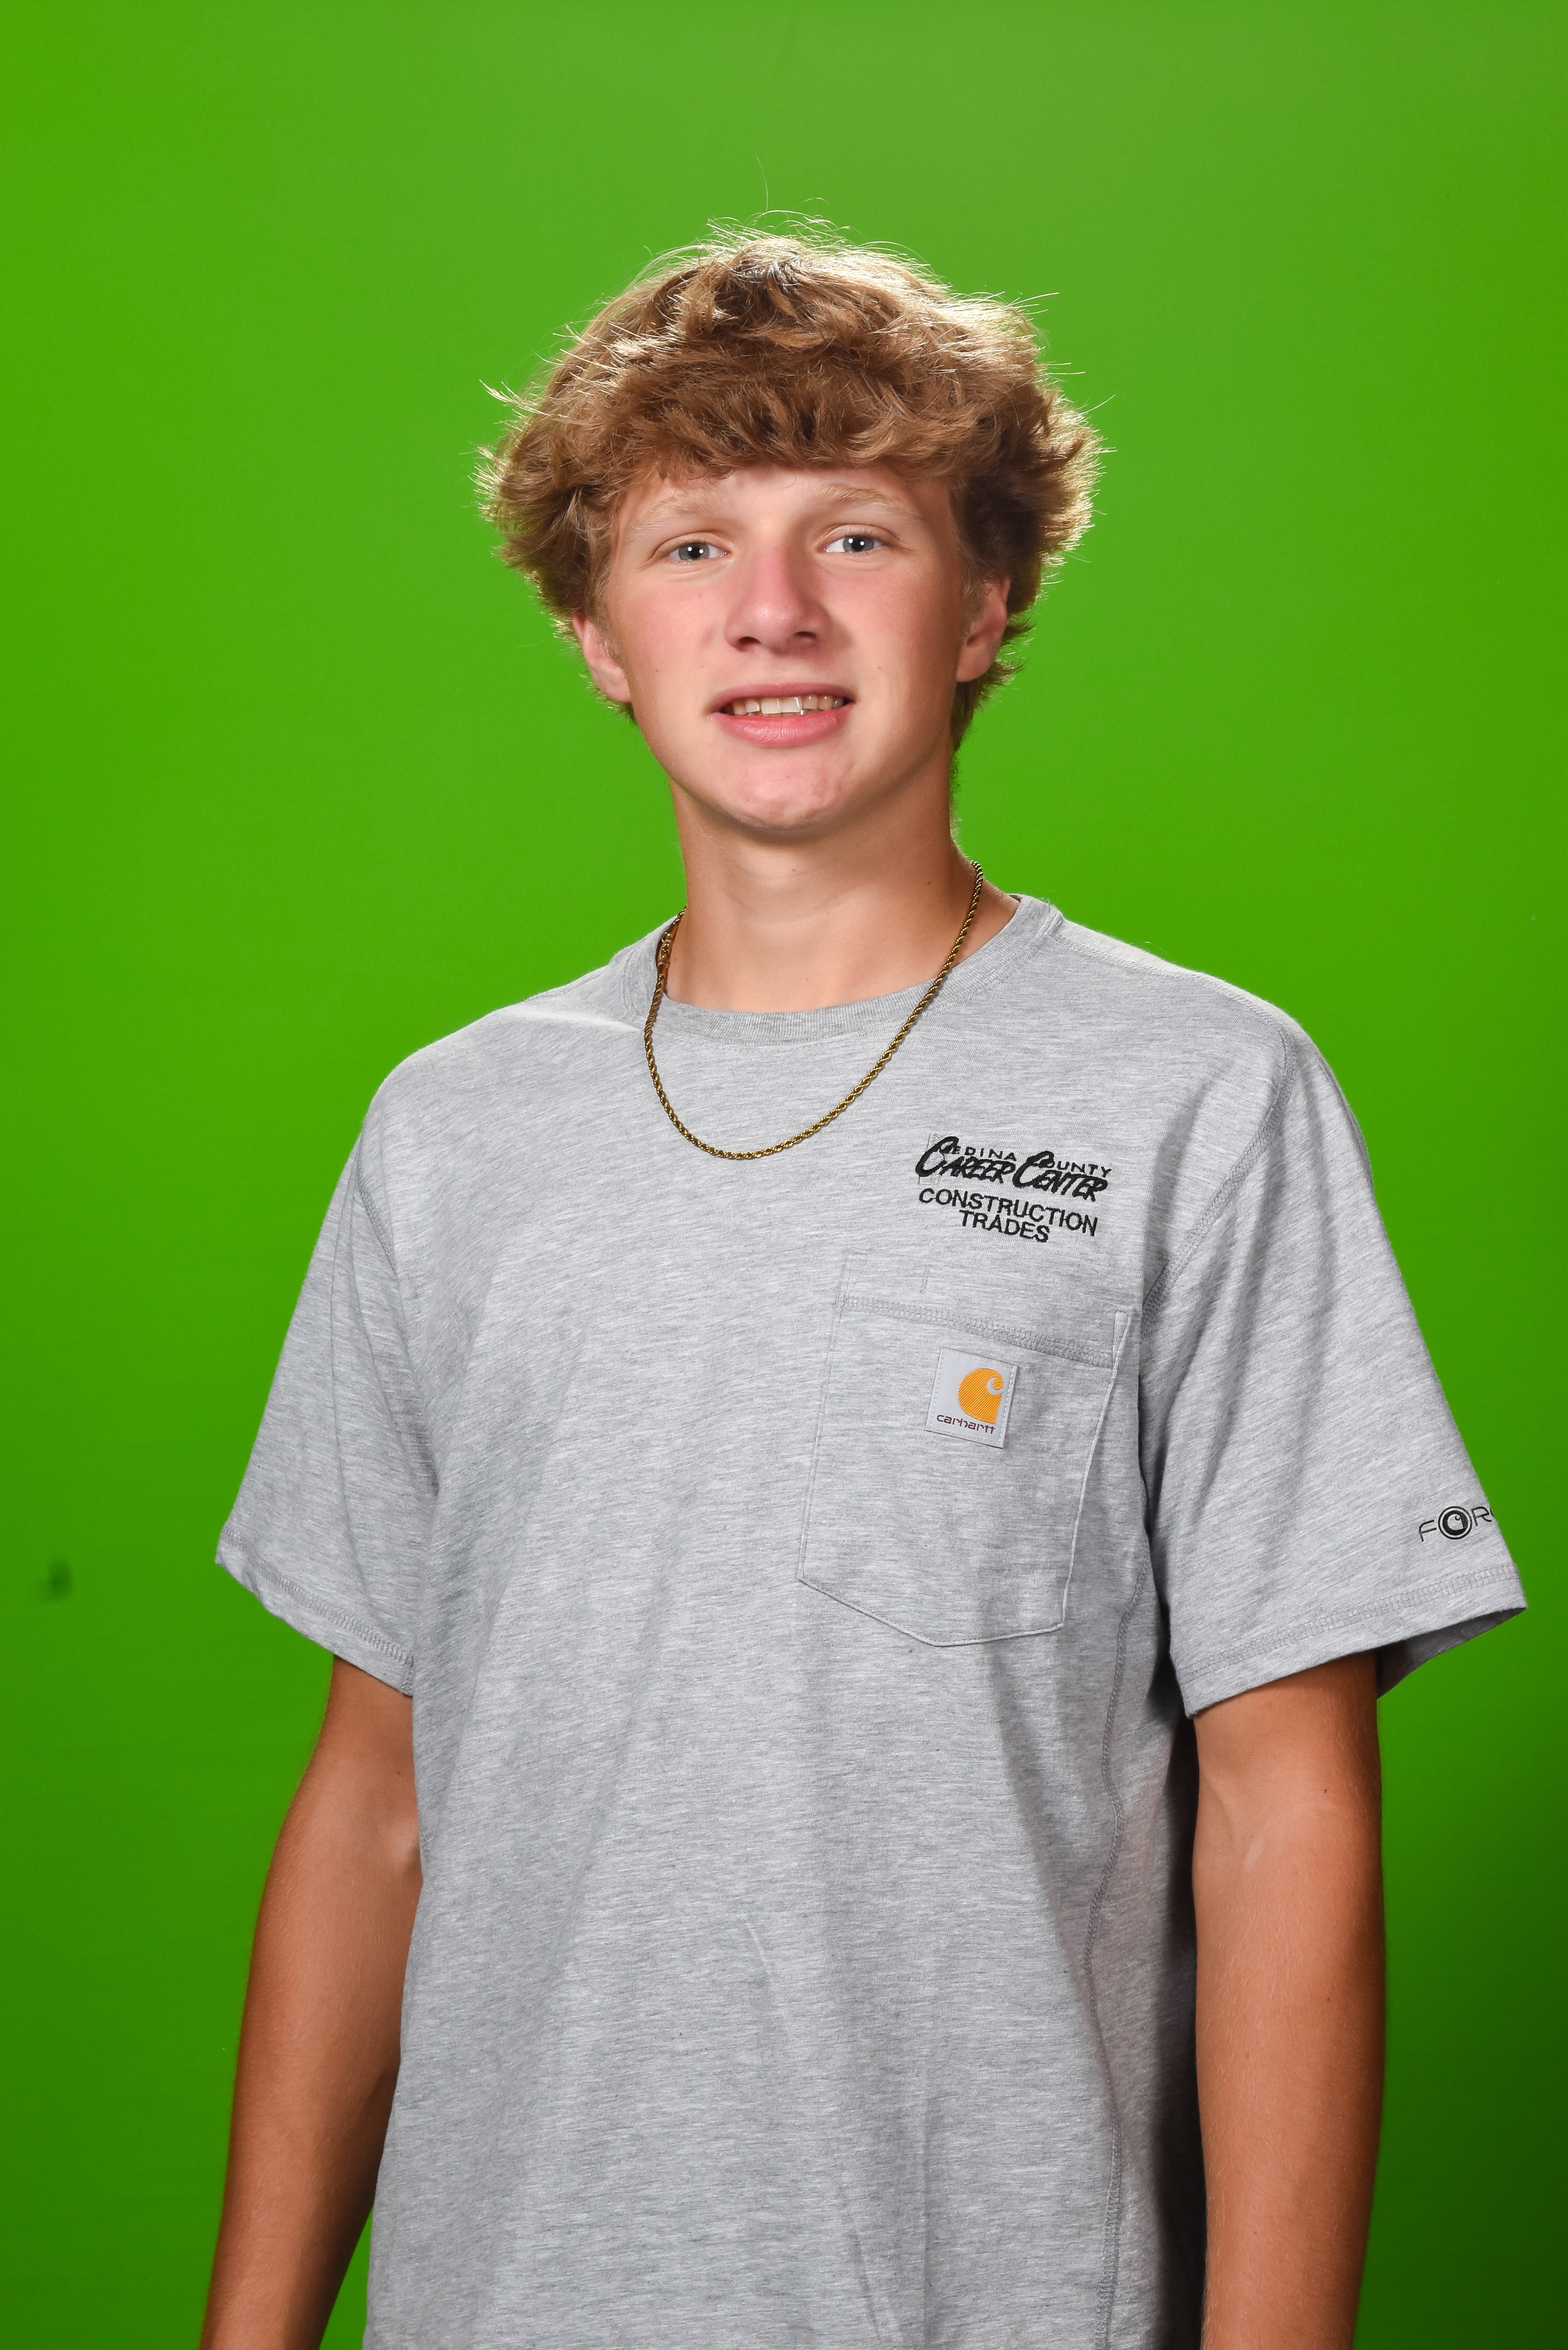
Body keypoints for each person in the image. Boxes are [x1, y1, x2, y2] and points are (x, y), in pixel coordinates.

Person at [201, 230, 1525, 2350]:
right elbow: (379, 1798)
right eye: (692, 544)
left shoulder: (1199, 1096)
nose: (775, 611)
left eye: (860, 535)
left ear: (986, 604)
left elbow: (1287, 1806)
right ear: (596, 634)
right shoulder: (452, 1131)